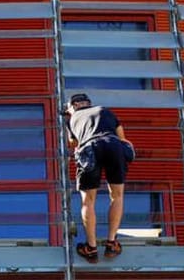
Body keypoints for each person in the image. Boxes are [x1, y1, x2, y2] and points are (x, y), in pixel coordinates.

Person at [64, 93, 134, 263]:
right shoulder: (105, 111)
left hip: (89, 148)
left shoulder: (71, 120)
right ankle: (111, 243)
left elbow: (73, 144)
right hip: (113, 145)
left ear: (73, 106)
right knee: (116, 195)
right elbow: (123, 139)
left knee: (88, 200)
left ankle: (91, 248)